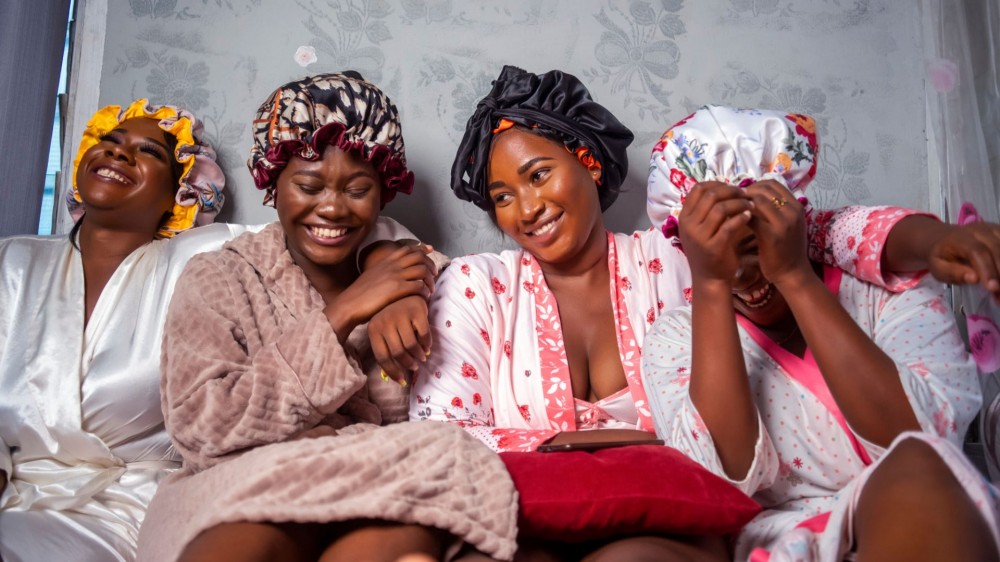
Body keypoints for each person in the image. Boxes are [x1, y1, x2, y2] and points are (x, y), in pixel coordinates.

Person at [406, 65, 1000, 560]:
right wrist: (619, 443)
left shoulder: (675, 257)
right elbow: (437, 437)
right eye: (502, 197)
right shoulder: (478, 285)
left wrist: (930, 239)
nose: (527, 208)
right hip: (534, 511)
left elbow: (829, 230)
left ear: (587, 158)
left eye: (538, 175)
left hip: (672, 515)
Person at [135, 72, 517, 562]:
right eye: (309, 185)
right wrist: (344, 312)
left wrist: (406, 286)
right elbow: (201, 426)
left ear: (384, 191)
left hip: (381, 487)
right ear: (273, 184)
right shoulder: (218, 277)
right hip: (249, 489)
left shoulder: (431, 278)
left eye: (357, 188)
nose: (332, 208)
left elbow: (459, 415)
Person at [641, 105, 1000, 562]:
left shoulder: (884, 290)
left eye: (757, 249)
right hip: (778, 542)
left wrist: (794, 276)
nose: (748, 280)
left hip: (921, 513)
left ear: (795, 226)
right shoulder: (675, 337)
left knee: (919, 467)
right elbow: (717, 477)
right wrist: (710, 285)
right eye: (722, 264)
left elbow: (919, 436)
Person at [0, 99, 234, 561]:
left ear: (182, 191)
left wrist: (381, 263)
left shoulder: (202, 260)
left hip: (126, 509)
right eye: (109, 141)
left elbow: (330, 230)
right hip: (11, 494)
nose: (118, 153)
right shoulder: (11, 263)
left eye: (150, 151)